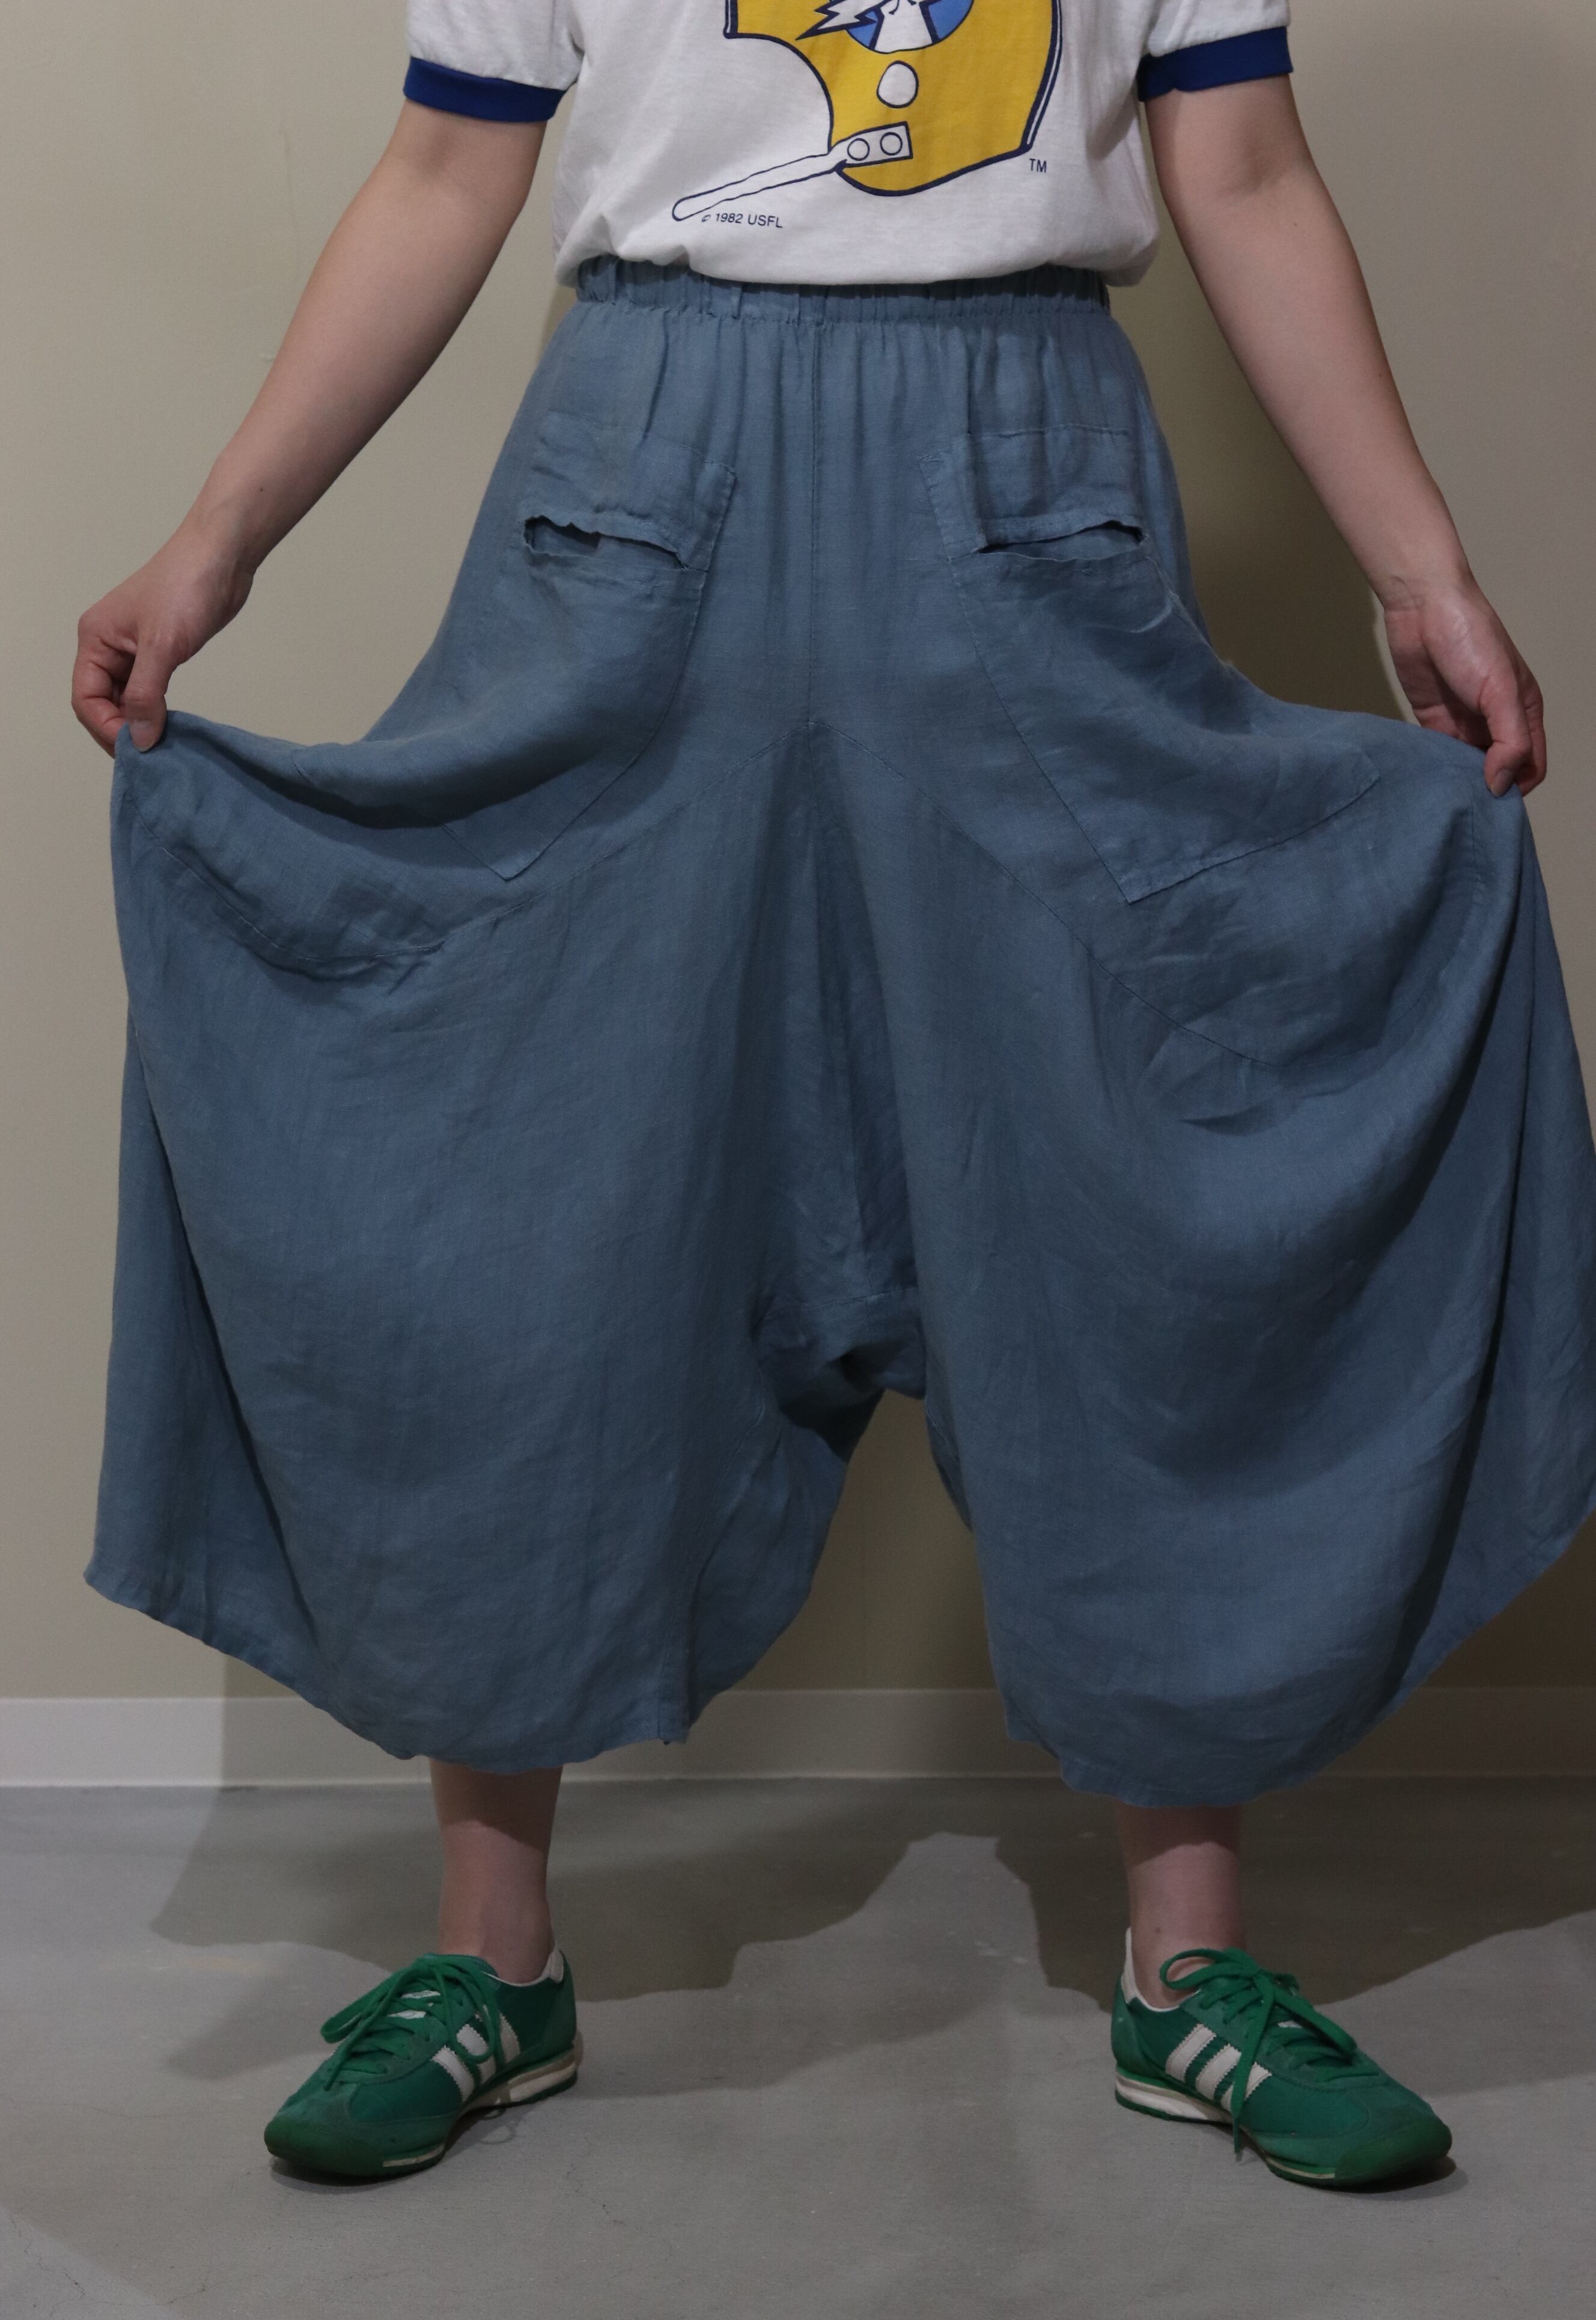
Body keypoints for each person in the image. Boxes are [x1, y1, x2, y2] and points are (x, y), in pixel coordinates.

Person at [72, 0, 1596, 2191]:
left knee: (1122, 1163)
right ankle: (491, 1959)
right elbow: (445, 169)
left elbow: (1243, 171)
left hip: (1030, 475)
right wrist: (221, 539)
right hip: (642, 473)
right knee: (537, 1163)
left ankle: (1191, 1973)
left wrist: (1419, 567)